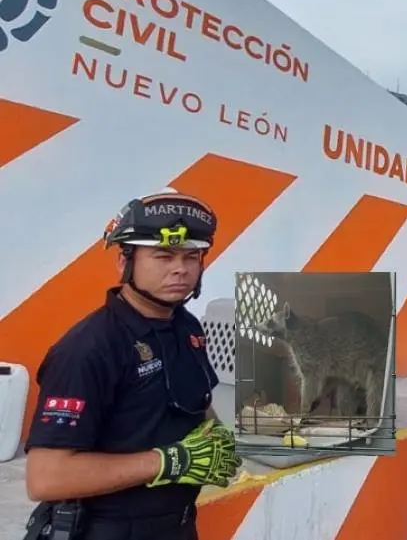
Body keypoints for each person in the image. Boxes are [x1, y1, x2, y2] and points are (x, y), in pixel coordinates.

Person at [21, 188, 242, 540]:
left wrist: (217, 439)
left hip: (178, 525)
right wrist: (168, 462)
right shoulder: (88, 348)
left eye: (191, 257)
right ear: (124, 262)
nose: (181, 270)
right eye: (163, 256)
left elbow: (193, 406)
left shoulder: (187, 327)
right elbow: (46, 478)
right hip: (105, 531)